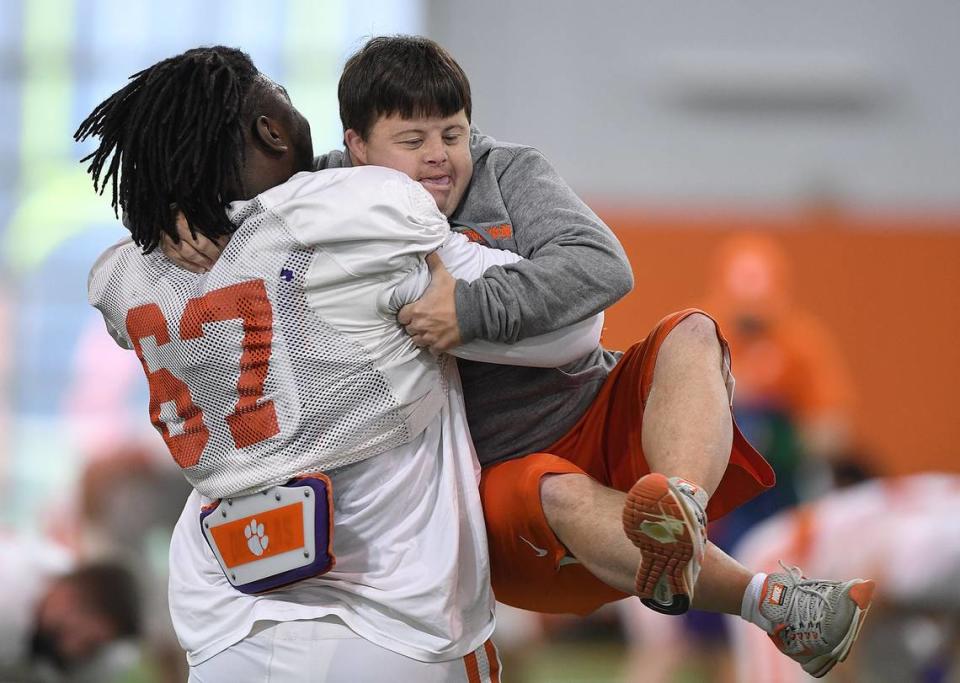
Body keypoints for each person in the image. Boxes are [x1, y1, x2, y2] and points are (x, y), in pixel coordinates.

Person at [164, 36, 875, 677]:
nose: (438, 154)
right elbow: (246, 215)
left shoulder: (509, 172)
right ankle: (758, 596)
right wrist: (182, 221)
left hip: (589, 406)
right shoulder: (323, 198)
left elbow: (604, 267)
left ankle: (680, 503)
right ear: (356, 148)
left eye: (453, 132)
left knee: (692, 328)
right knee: (555, 487)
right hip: (501, 476)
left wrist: (468, 312)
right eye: (412, 139)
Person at [79, 46, 603, 682]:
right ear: (270, 128)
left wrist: (182, 203)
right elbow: (575, 327)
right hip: (393, 607)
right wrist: (461, 317)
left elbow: (238, 252)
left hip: (227, 613)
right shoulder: (365, 213)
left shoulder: (132, 271)